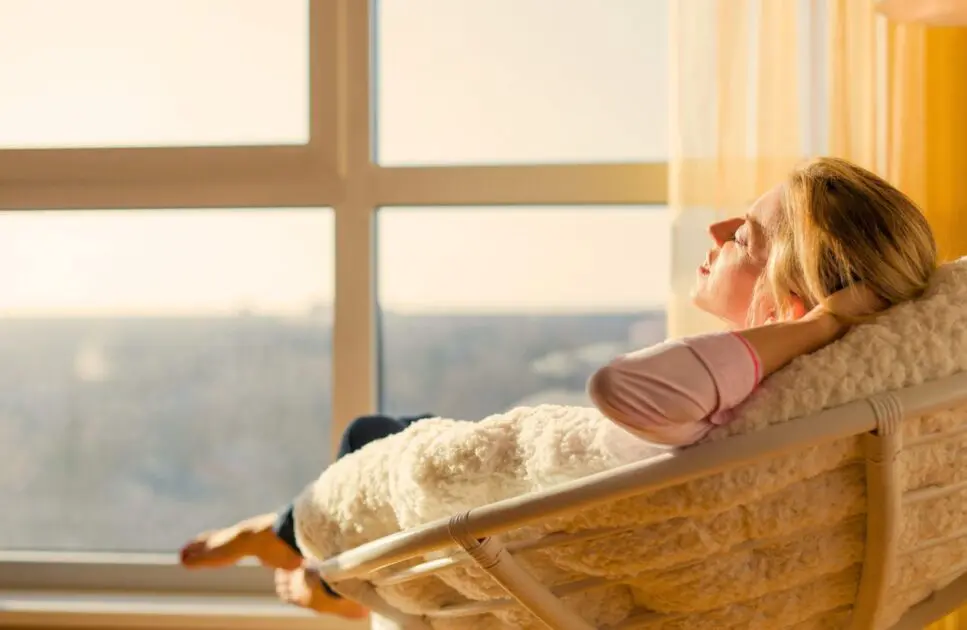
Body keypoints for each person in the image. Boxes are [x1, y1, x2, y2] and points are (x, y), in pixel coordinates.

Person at [179, 157, 938, 618]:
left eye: (743, 238)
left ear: (787, 306)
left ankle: (291, 548)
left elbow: (624, 390)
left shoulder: (764, 377)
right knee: (389, 430)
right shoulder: (818, 404)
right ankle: (306, 566)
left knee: (368, 437)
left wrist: (811, 331)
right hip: (551, 520)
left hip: (512, 544)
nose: (715, 231)